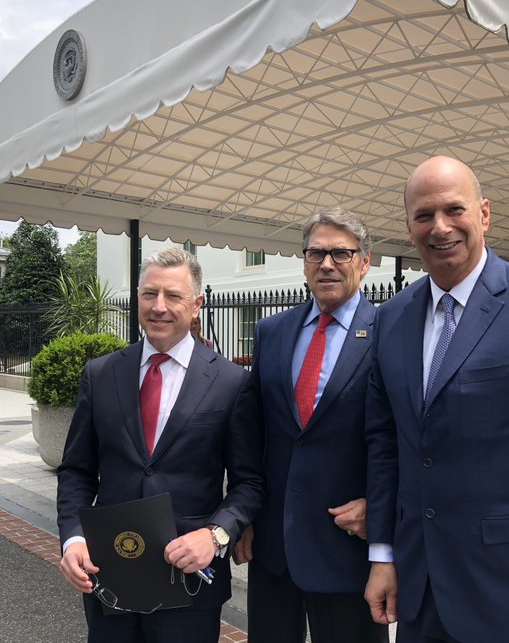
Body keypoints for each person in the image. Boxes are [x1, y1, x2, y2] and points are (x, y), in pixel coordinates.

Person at [57, 247, 264, 643]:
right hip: (109, 572)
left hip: (189, 580)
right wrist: (73, 537)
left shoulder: (231, 383)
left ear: (198, 304)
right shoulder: (101, 375)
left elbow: (249, 483)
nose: (159, 307)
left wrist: (217, 535)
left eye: (173, 296)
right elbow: (76, 472)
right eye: (149, 294)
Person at [364, 155, 509, 643]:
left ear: (484, 214)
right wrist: (384, 554)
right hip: (418, 585)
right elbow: (385, 445)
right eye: (424, 216)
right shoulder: (391, 319)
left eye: (454, 210)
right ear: (409, 226)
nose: (440, 227)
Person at [234, 206, 388, 643]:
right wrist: (243, 514)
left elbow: (403, 436)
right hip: (274, 547)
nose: (327, 264)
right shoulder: (272, 331)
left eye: (341, 253)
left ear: (365, 261)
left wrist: (381, 505)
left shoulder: (389, 332)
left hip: (348, 547)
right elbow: (252, 431)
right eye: (315, 253)